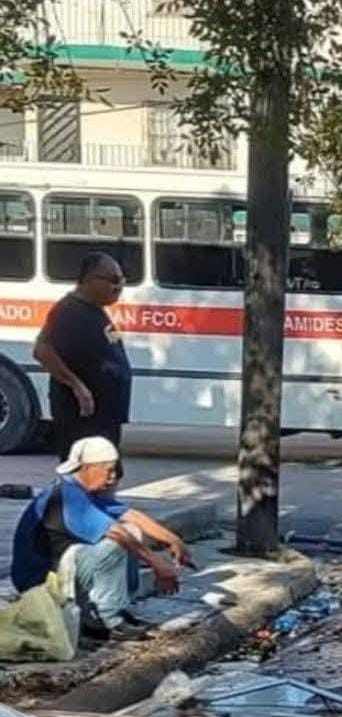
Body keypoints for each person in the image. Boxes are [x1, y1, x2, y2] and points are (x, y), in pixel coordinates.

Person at [10, 437, 194, 643]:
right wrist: (158, 564)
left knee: (132, 531)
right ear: (87, 468)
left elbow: (129, 514)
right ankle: (106, 620)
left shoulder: (83, 489)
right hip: (40, 580)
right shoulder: (68, 495)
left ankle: (114, 608)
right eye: (108, 470)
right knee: (116, 543)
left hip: (65, 567)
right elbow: (116, 533)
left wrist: (173, 540)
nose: (113, 477)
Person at [33, 252, 133, 464]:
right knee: (86, 482)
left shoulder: (96, 310)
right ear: (90, 279)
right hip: (83, 422)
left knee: (106, 479)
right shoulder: (68, 312)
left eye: (122, 281)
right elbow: (42, 350)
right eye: (114, 280)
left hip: (104, 419)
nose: (119, 287)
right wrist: (77, 386)